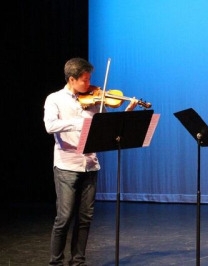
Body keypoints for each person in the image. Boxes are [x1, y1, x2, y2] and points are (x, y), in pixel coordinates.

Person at [44, 57, 138, 266]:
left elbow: (105, 125)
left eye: (89, 80)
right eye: (85, 81)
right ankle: (56, 262)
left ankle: (78, 261)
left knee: (85, 218)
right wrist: (80, 121)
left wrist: (127, 112)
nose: (90, 85)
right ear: (71, 79)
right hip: (67, 164)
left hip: (90, 164)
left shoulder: (94, 100)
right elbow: (50, 126)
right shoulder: (54, 99)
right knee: (65, 217)